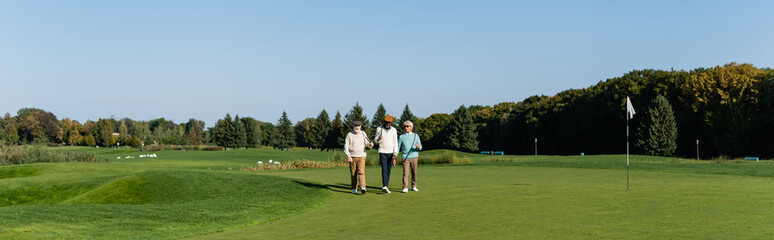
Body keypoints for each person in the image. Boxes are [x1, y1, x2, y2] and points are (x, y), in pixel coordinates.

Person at [344, 120, 374, 194]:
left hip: (362, 156)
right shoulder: (349, 135)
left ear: (360, 126)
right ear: (353, 126)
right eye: (355, 126)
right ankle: (354, 188)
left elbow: (367, 144)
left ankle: (363, 187)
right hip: (353, 157)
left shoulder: (363, 133)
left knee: (361, 172)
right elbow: (346, 147)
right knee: (353, 173)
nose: (356, 127)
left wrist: (370, 145)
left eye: (358, 126)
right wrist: (348, 156)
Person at [373, 115, 398, 193]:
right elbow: (375, 140)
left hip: (391, 153)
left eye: (389, 123)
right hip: (382, 152)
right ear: (384, 122)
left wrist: (395, 153)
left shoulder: (394, 130)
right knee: (384, 169)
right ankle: (385, 186)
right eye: (386, 122)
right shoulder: (379, 129)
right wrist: (378, 139)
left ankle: (386, 185)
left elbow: (395, 142)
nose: (388, 124)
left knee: (388, 170)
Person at [397, 120, 422, 193]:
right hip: (405, 157)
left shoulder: (415, 135)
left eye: (407, 126)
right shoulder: (401, 136)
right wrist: (395, 155)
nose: (406, 127)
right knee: (406, 173)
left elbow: (420, 147)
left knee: (414, 172)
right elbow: (398, 147)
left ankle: (413, 186)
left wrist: (418, 147)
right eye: (404, 126)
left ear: (411, 127)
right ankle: (405, 187)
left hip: (414, 156)